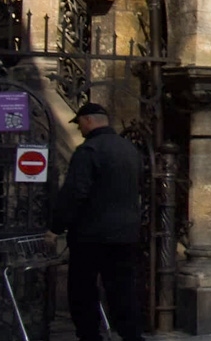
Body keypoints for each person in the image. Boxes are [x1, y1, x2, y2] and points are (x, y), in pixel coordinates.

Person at [49, 101, 145, 341]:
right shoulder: (129, 150)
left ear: (88, 120)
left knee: (82, 289)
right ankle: (132, 335)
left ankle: (90, 336)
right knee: (122, 289)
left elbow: (75, 192)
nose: (79, 129)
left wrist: (55, 227)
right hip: (126, 233)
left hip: (91, 235)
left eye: (80, 123)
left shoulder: (88, 150)